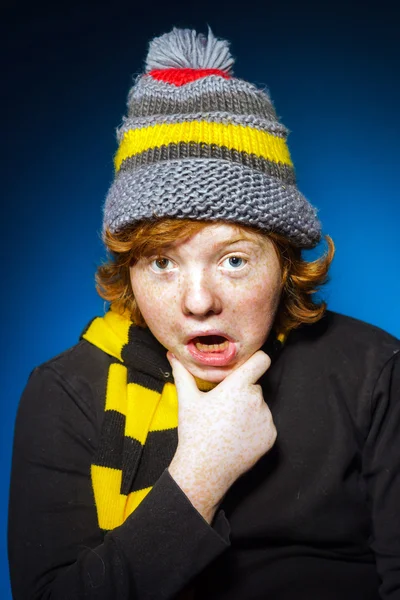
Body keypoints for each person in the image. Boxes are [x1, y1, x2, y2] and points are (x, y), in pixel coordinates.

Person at [8, 27, 400, 600]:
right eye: (163, 262)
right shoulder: (65, 392)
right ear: (130, 271)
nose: (198, 301)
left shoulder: (374, 370)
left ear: (285, 261)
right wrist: (201, 474)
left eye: (234, 259)